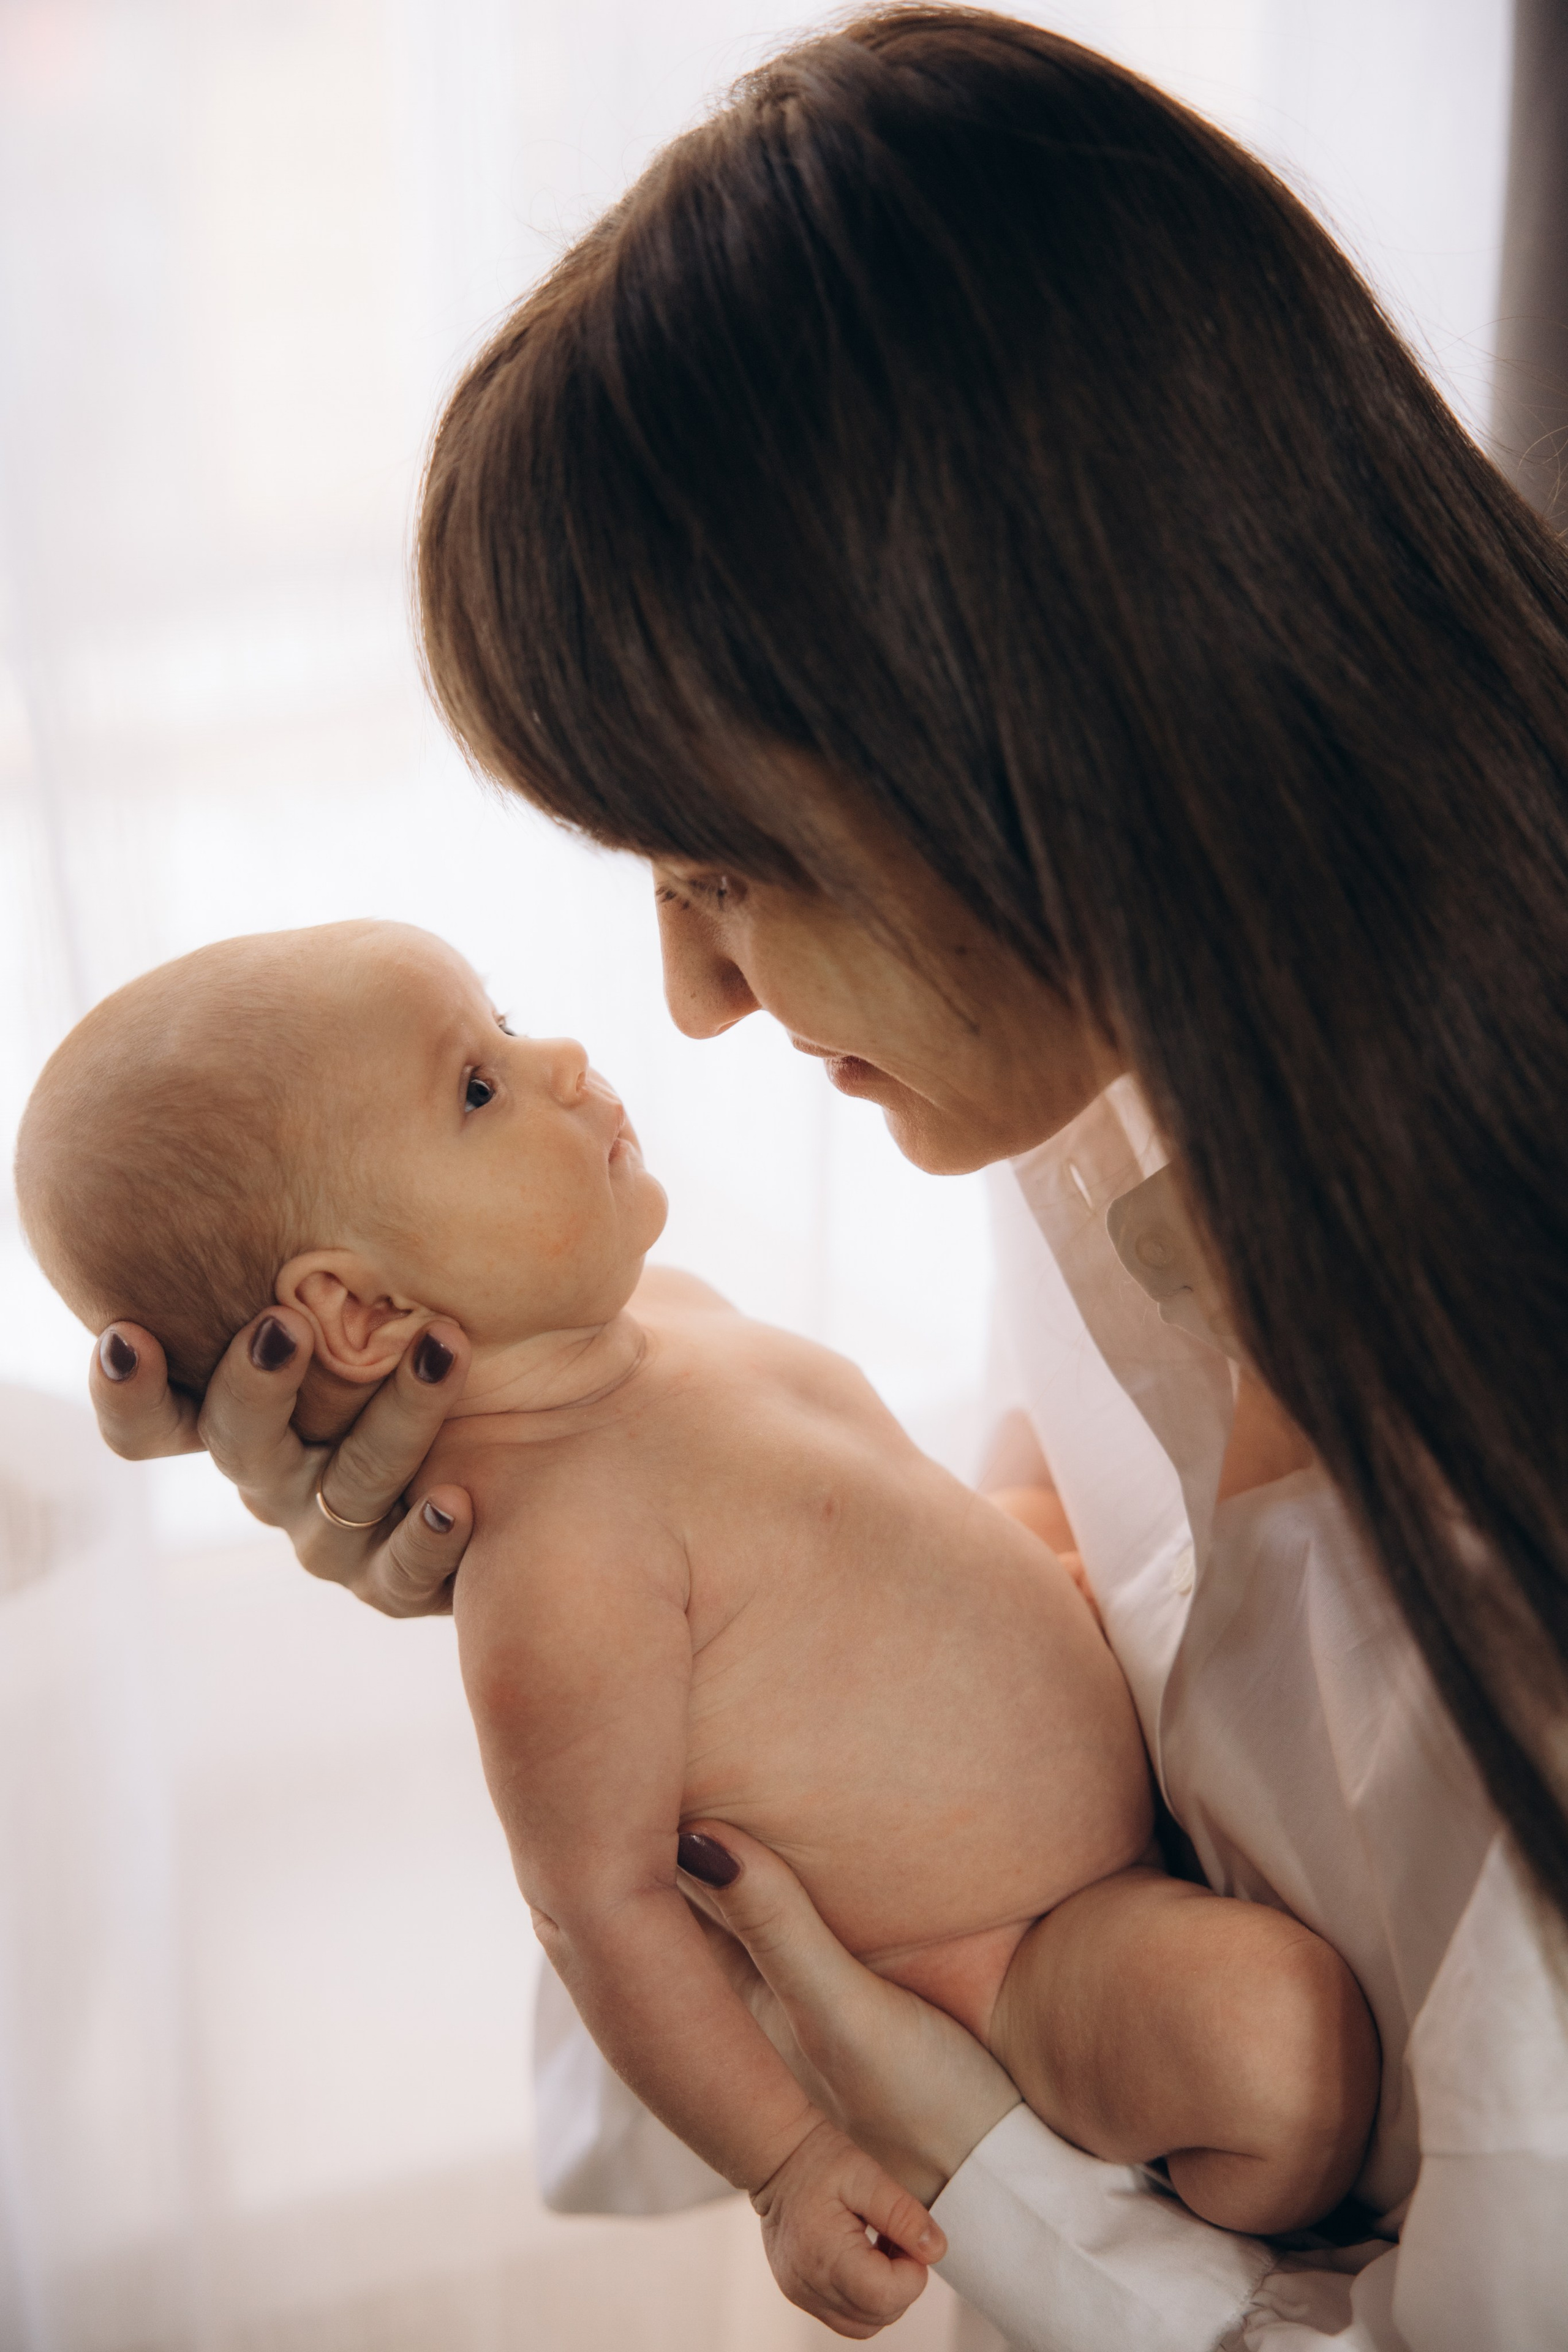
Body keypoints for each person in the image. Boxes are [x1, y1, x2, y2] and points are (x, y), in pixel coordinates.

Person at [86, 10, 1568, 2347]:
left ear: (1039, 726)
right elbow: (893, 1749)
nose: (686, 1004)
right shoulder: (1101, 1111)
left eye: (727, 871)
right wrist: (533, 1531)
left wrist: (978, 2166)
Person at [20, 921, 1379, 2331]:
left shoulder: (658, 1318)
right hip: (1016, 1950)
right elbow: (597, 1910)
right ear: (357, 1313)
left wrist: (1026, 1562)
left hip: (1093, 1736)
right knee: (1281, 2055)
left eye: (507, 1024)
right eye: (477, 1087)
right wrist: (785, 2165)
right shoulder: (553, 1568)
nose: (561, 1059)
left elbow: (857, 1548)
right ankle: (1160, 2160)